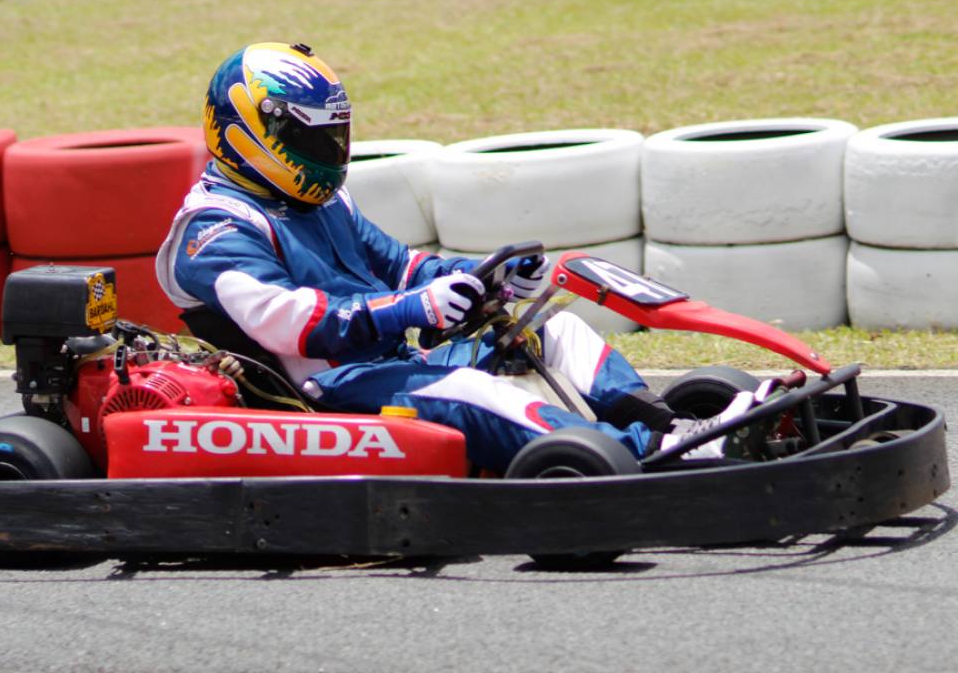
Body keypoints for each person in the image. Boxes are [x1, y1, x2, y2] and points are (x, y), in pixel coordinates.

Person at [156, 42, 760, 474]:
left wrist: (478, 278)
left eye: (333, 134)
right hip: (327, 391)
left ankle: (667, 429)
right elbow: (293, 323)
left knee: (559, 331)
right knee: (476, 389)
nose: (329, 150)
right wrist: (412, 308)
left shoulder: (321, 201)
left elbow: (400, 267)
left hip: (389, 362)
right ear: (248, 132)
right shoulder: (214, 230)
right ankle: (652, 455)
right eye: (312, 137)